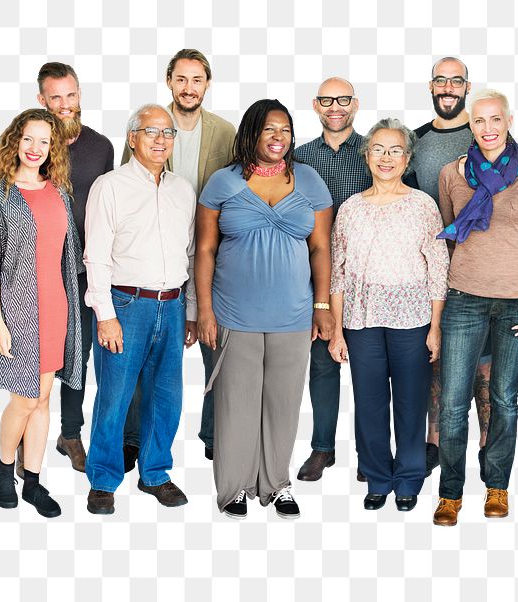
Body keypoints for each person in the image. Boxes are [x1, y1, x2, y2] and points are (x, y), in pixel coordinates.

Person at [195, 99, 333, 521]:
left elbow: (321, 246)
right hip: (234, 314)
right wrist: (204, 311)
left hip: (293, 314)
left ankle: (276, 484)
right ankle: (234, 487)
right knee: (236, 402)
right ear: (251, 133)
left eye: (285, 130)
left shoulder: (309, 181)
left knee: (284, 402)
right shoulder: (223, 182)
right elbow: (204, 248)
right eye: (269, 129)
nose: (278, 137)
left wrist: (322, 304)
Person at [432, 90, 518, 526]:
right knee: (451, 402)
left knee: (504, 399)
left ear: (508, 120)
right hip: (464, 298)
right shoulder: (452, 173)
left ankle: (497, 486)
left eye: (495, 119)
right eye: (479, 121)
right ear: (471, 125)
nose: (488, 128)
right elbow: (451, 238)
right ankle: (450, 493)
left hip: (517, 303)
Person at [121, 49, 236, 467]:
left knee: (216, 347)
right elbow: (126, 189)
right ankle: (132, 438)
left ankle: (213, 432)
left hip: (209, 257)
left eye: (197, 80)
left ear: (208, 84)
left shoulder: (225, 133)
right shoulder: (147, 124)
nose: (189, 88)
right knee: (139, 358)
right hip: (153, 261)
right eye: (182, 79)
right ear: (169, 81)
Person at [328, 118, 449, 512]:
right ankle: (377, 477)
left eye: (396, 150)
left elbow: (438, 268)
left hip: (412, 320)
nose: (386, 157)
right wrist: (338, 332)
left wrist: (434, 327)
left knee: (412, 402)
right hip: (360, 322)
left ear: (407, 158)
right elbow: (338, 272)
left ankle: (409, 478)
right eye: (378, 149)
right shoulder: (350, 209)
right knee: (369, 402)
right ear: (367, 155)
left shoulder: (423, 205)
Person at [83, 104, 198, 515]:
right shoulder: (109, 186)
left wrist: (190, 311)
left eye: (167, 133)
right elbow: (95, 254)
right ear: (132, 138)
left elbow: (188, 251)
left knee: (166, 397)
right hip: (125, 304)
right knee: (114, 396)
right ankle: (103, 478)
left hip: (172, 304)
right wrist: (105, 314)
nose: (160, 140)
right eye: (150, 132)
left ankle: (155, 474)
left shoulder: (182, 189)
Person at [0, 108, 82, 518]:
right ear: (14, 142)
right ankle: (5, 472)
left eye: (44, 141)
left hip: (56, 305)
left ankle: (33, 482)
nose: (35, 149)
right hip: (17, 307)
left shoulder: (59, 192)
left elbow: (66, 258)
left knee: (44, 398)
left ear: (53, 147)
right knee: (24, 399)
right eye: (28, 139)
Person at [407, 57, 492, 477]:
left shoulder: (486, 139)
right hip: (432, 272)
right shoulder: (415, 141)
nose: (447, 88)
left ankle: (487, 444)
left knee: (485, 363)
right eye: (440, 80)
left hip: (483, 269)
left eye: (455, 81)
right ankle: (434, 444)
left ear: (466, 87)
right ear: (430, 86)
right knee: (436, 358)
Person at [31, 62, 113, 475]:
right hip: (41, 271)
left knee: (80, 357)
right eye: (55, 97)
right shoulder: (34, 145)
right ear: (42, 99)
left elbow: (109, 209)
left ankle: (71, 433)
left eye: (71, 95)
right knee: (44, 359)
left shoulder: (101, 147)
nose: (65, 105)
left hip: (86, 270)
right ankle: (28, 449)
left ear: (80, 94)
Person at [293, 77, 373, 482]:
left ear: (356, 104)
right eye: (327, 100)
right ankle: (322, 448)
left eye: (343, 100)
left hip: (368, 279)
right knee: (323, 366)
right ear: (315, 105)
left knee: (368, 368)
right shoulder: (300, 158)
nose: (335, 107)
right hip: (316, 278)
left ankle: (369, 451)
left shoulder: (374, 153)